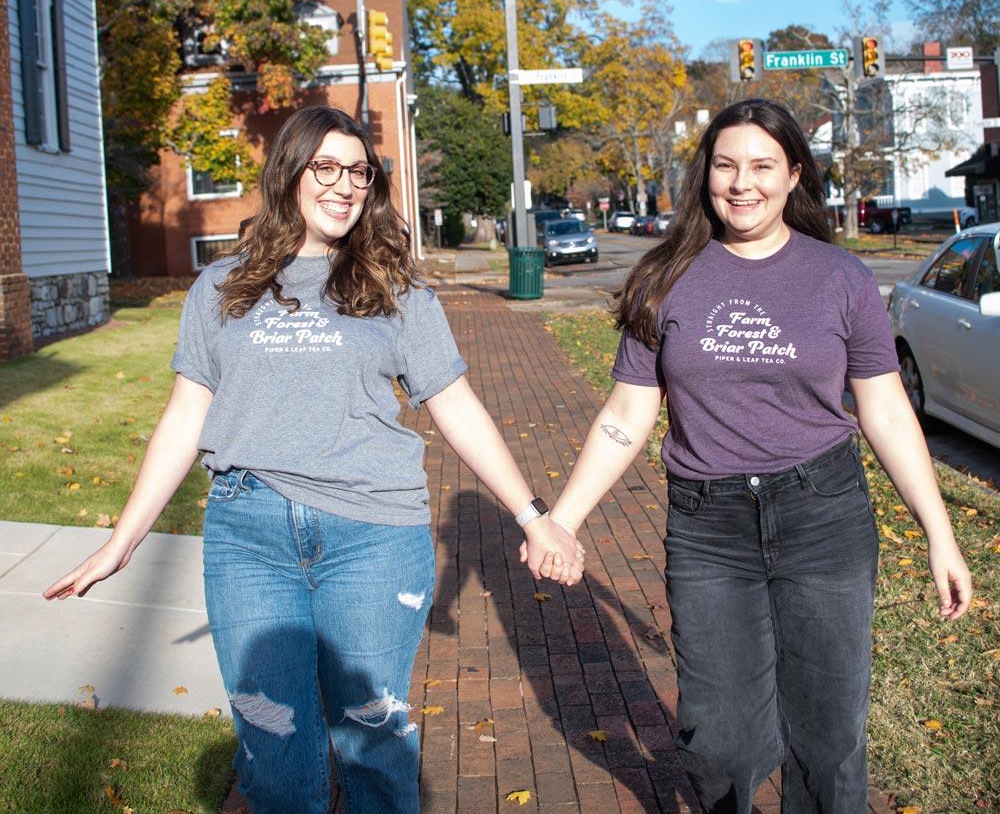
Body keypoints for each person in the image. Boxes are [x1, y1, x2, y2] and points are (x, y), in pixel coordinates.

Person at [44, 106, 584, 814]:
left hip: (374, 539)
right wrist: (123, 541)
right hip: (249, 539)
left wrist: (533, 516)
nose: (343, 185)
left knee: (374, 748)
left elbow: (454, 404)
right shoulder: (221, 286)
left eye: (357, 171)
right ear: (289, 175)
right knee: (274, 764)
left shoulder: (395, 286)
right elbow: (184, 417)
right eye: (324, 167)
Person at [530, 99, 971, 812]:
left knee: (829, 741)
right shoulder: (665, 276)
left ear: (793, 174)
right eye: (726, 165)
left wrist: (938, 533)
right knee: (721, 741)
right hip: (711, 527)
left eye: (763, 166)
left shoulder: (842, 278)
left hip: (823, 514)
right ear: (707, 175)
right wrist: (566, 519)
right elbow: (626, 414)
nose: (743, 183)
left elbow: (885, 408)